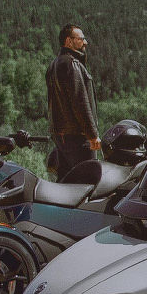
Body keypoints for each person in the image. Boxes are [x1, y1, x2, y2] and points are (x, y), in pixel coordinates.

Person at [44, 24, 101, 179]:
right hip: (77, 137)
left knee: (66, 182)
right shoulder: (72, 64)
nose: (85, 42)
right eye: (81, 39)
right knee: (88, 182)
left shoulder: (54, 64)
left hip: (61, 136)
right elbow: (80, 103)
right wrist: (92, 135)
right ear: (69, 41)